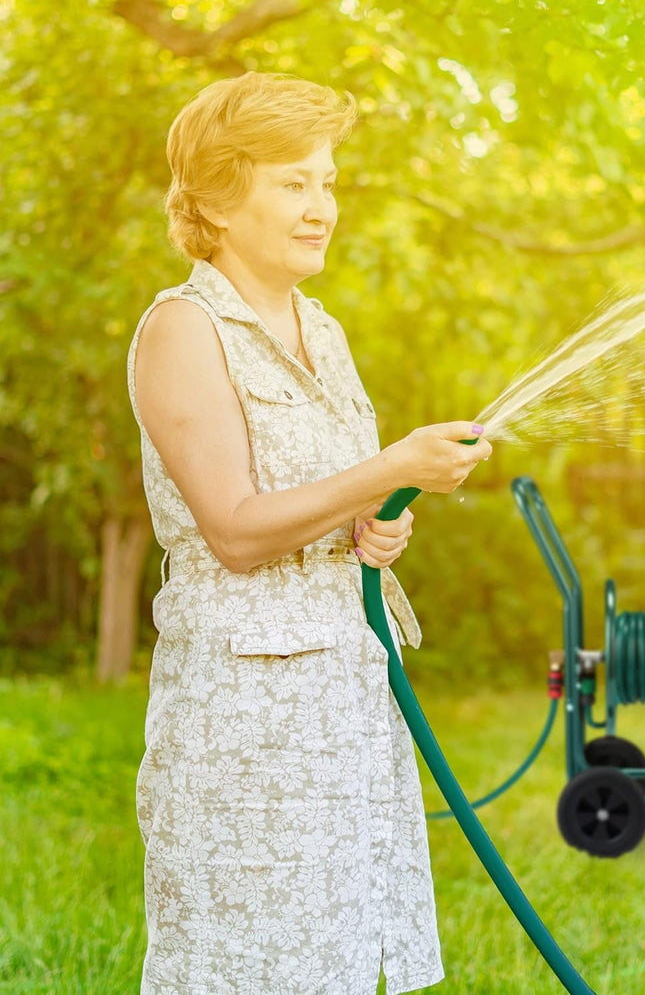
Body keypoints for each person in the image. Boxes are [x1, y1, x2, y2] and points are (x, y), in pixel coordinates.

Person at [127, 71, 492, 995]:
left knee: (336, 963)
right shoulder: (183, 329)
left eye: (327, 182)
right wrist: (391, 470)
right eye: (294, 183)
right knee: (249, 964)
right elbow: (237, 532)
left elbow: (334, 501)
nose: (321, 207)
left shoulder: (321, 329)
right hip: (247, 722)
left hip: (347, 695)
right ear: (216, 196)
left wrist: (378, 527)